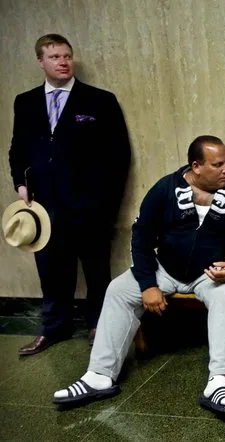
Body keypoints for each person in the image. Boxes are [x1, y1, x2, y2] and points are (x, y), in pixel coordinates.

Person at [52, 136, 225, 417]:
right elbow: (141, 238)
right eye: (218, 164)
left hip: (210, 273)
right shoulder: (165, 188)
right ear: (196, 166)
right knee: (118, 290)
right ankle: (99, 375)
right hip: (165, 267)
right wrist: (148, 285)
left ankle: (220, 381)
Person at [8, 34, 131, 355]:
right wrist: (19, 183)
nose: (63, 62)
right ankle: (54, 328)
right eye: (55, 57)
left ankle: (98, 325)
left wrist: (106, 205)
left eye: (67, 56)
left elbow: (118, 157)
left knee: (95, 269)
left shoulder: (99, 100)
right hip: (44, 207)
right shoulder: (26, 101)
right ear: (41, 62)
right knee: (50, 269)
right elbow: (17, 150)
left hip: (90, 206)